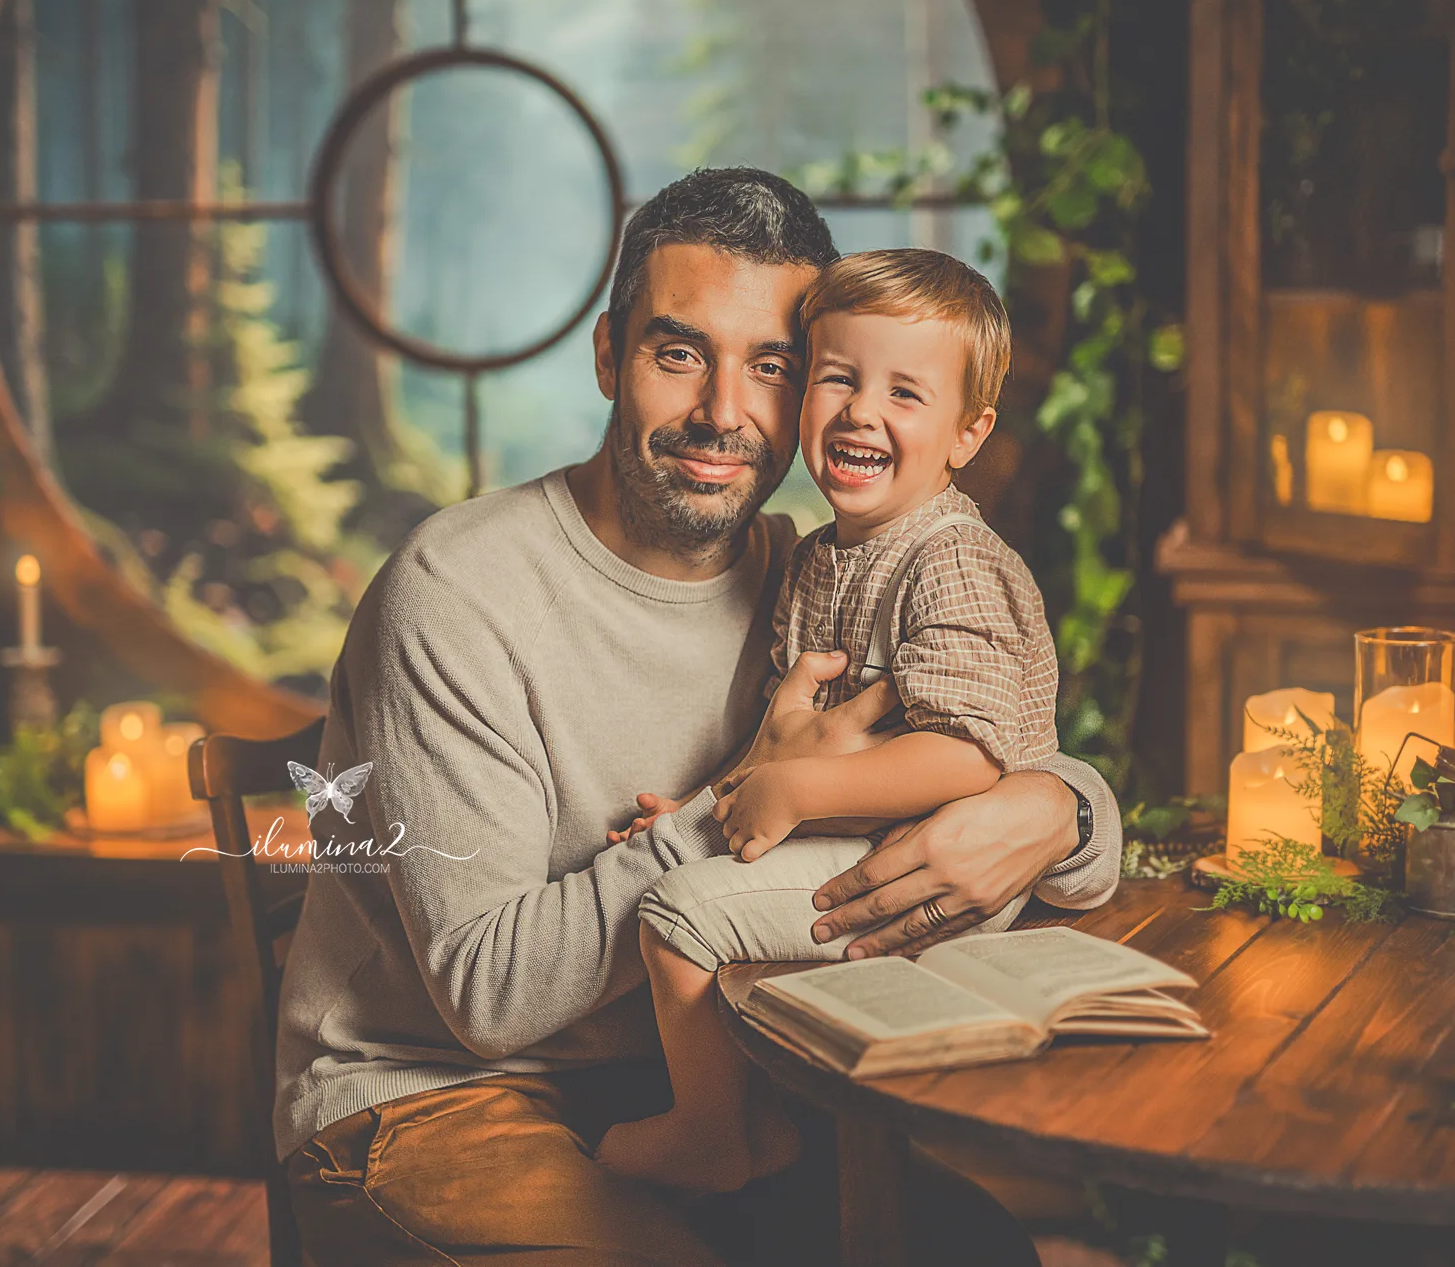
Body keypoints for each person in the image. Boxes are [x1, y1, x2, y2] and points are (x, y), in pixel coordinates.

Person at [277, 168, 1121, 1266]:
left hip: (716, 1083)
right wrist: (733, 799)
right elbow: (488, 995)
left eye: (771, 367)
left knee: (978, 1254)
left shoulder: (811, 576)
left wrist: (1057, 808)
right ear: (605, 357)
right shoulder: (456, 590)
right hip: (434, 1099)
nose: (724, 412)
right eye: (678, 354)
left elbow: (1001, 744)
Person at [594, 248, 1057, 1195]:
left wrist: (796, 790)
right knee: (710, 905)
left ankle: (717, 1133)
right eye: (837, 378)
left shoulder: (951, 560)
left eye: (905, 393)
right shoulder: (815, 558)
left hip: (938, 868)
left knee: (679, 918)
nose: (860, 411)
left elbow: (969, 757)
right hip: (863, 836)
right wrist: (703, 804)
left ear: (969, 433)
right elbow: (789, 732)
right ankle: (776, 1135)